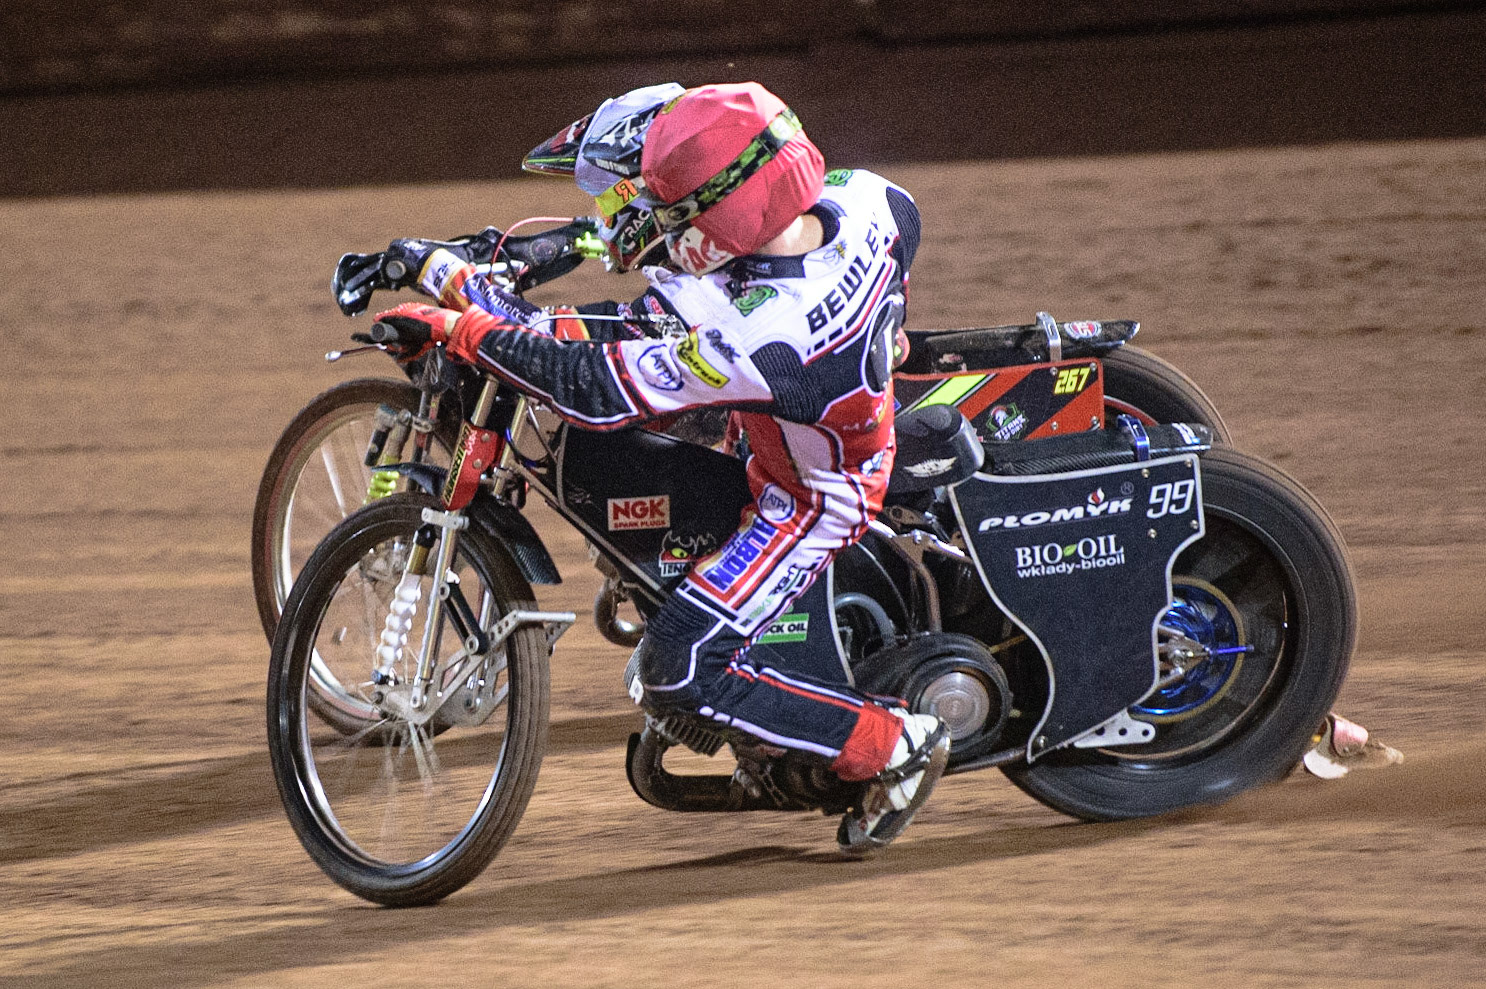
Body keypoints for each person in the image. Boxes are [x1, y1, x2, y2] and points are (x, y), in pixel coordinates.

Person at [369, 81, 951, 856]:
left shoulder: (759, 338)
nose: (661, 219)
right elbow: (875, 238)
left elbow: (585, 382)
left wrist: (455, 316)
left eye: (673, 207)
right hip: (797, 411)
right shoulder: (869, 199)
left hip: (814, 497)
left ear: (719, 213)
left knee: (677, 665)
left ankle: (891, 745)